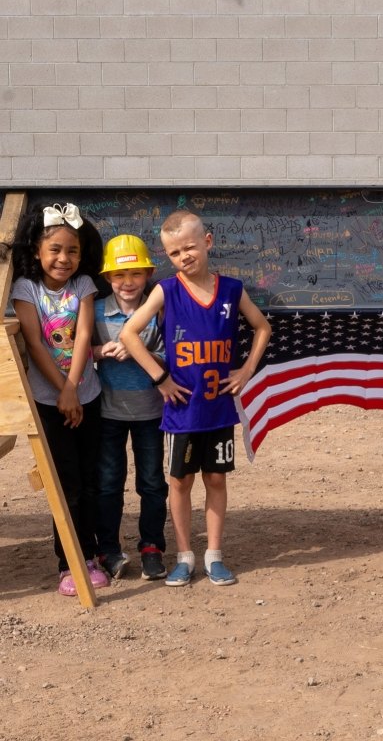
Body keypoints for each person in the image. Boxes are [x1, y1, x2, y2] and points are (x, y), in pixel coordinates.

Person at [120, 210, 271, 587]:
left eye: (189, 247)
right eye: (174, 253)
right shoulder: (167, 290)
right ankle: (185, 555)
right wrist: (161, 378)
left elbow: (262, 327)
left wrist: (247, 369)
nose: (184, 256)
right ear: (167, 257)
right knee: (180, 483)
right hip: (183, 413)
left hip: (218, 410)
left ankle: (214, 555)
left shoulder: (232, 289)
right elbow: (129, 334)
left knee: (216, 480)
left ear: (207, 241)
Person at [5, 202, 111, 596]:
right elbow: (34, 342)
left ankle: (93, 551)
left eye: (72, 251)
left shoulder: (83, 286)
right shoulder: (24, 289)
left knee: (92, 479)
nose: (64, 258)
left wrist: (75, 389)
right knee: (64, 483)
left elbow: (83, 336)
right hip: (50, 405)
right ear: (36, 250)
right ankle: (69, 563)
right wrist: (63, 391)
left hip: (88, 398)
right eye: (55, 250)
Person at [93, 234, 169, 581]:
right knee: (109, 484)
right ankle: (109, 550)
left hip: (151, 413)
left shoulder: (158, 310)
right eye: (120, 275)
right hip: (108, 413)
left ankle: (152, 547)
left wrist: (140, 351)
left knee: (152, 483)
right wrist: (101, 351)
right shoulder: (95, 310)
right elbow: (78, 349)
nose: (128, 282)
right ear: (108, 277)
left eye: (136, 274)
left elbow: (172, 356)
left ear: (148, 274)